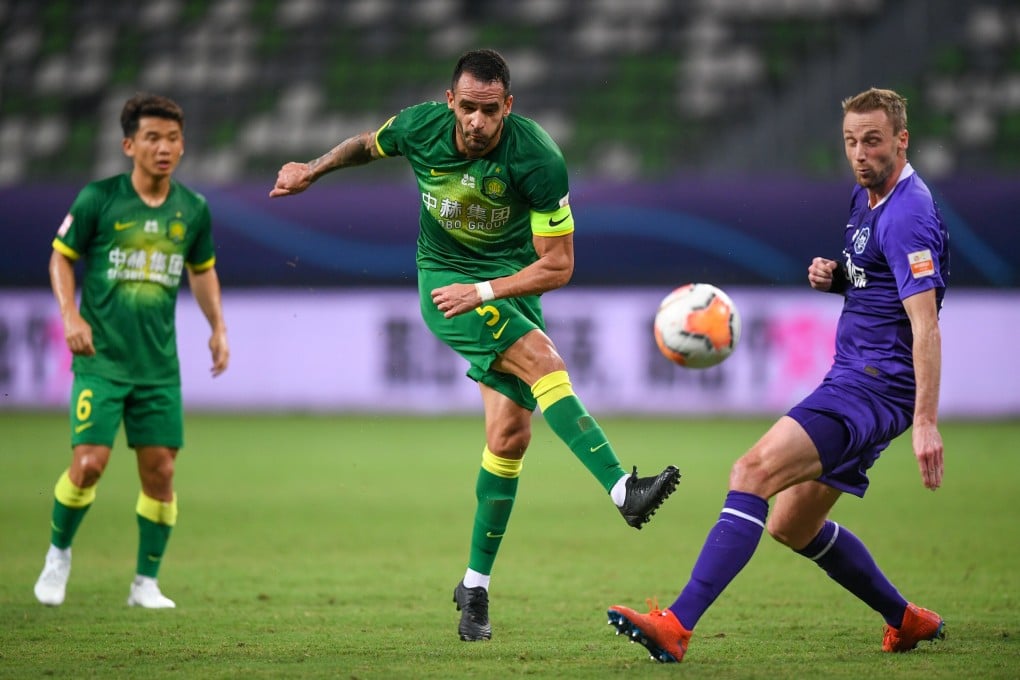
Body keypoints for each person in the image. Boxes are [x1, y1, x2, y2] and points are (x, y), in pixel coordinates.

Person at [270, 48, 680, 641]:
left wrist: (489, 289)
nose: (477, 122)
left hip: (508, 284)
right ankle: (623, 489)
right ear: (450, 102)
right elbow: (366, 143)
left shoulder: (537, 157)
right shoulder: (420, 127)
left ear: (508, 106)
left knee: (509, 437)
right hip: (445, 281)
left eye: (490, 110)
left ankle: (474, 590)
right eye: (467, 108)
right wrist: (312, 167)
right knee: (545, 362)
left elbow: (558, 265)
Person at [607, 87, 949, 662]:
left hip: (870, 387)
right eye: (850, 142)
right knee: (791, 524)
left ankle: (676, 624)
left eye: (872, 141)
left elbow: (926, 325)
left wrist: (925, 421)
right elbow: (884, 287)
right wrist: (842, 279)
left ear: (901, 139)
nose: (860, 153)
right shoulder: (868, 199)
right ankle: (905, 619)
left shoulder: (909, 213)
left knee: (751, 470)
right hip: (858, 380)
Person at [33, 93, 229, 609]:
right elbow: (60, 259)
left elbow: (201, 271)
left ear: (182, 145)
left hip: (158, 366)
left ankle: (145, 582)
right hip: (103, 359)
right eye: (152, 138)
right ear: (128, 145)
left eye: (172, 138)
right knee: (90, 463)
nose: (164, 148)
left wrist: (218, 327)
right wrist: (70, 315)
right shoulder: (98, 199)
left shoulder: (193, 209)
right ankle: (58, 555)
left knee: (161, 471)